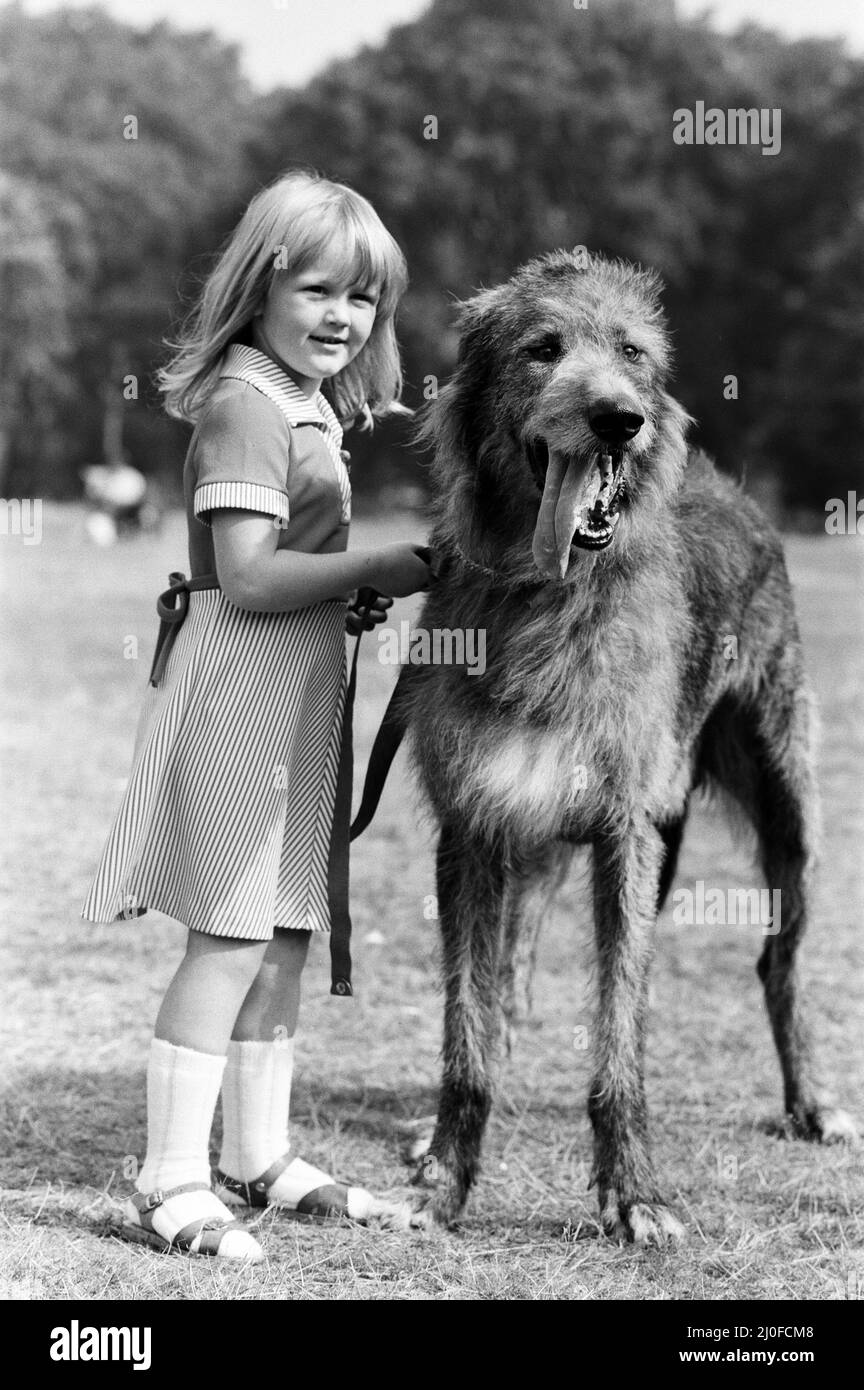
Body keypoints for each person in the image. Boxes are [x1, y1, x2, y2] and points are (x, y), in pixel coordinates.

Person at [81, 169, 432, 1262]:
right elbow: (244, 577)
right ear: (260, 287)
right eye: (318, 289)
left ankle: (258, 1155)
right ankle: (172, 1176)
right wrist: (381, 562)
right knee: (228, 932)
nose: (342, 316)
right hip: (242, 682)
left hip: (299, 685)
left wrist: (341, 579)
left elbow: (298, 566)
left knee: (281, 930)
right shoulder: (245, 401)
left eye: (363, 299)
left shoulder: (308, 402)